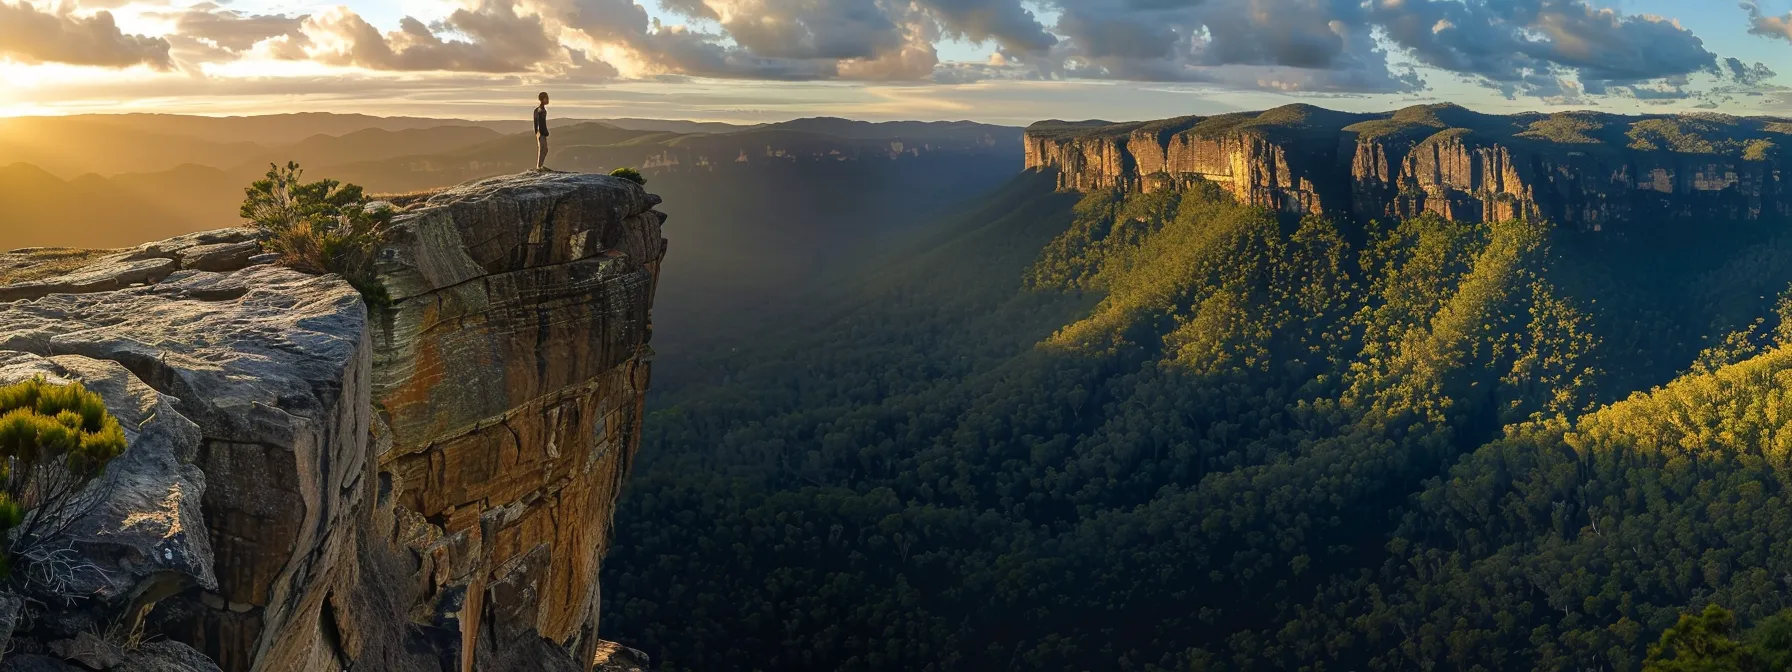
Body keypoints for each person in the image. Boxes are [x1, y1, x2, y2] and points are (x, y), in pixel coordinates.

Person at [534, 92, 550, 170]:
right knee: (543, 149)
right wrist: (543, 131)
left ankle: (540, 166)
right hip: (541, 132)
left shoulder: (538, 110)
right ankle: (539, 166)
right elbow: (541, 122)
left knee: (544, 149)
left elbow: (536, 122)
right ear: (543, 99)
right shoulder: (541, 110)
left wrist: (537, 131)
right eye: (547, 98)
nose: (548, 99)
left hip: (540, 132)